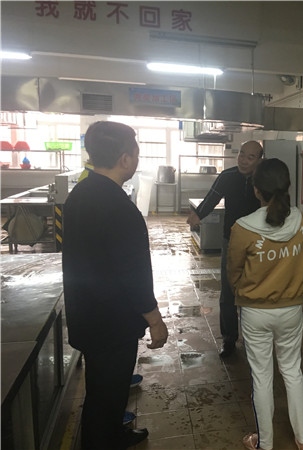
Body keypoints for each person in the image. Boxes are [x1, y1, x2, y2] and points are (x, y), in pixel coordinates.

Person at [62, 121, 169, 450]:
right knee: (105, 396)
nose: (137, 159)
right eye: (136, 153)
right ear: (125, 159)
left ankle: (113, 435)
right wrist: (155, 320)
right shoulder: (119, 208)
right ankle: (102, 442)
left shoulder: (81, 194)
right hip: (111, 322)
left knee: (104, 388)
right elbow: (133, 273)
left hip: (87, 313)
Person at [227, 158, 303, 450]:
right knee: (293, 372)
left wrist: (244, 292)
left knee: (262, 378)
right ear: (287, 186)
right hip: (292, 310)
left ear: (256, 190)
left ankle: (265, 444)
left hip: (255, 312)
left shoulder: (243, 228)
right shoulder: (302, 222)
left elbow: (234, 272)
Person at [186, 140, 263, 357]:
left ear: (259, 160)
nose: (243, 160)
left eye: (250, 157)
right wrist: (198, 214)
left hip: (259, 242)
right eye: (241, 154)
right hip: (232, 241)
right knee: (228, 292)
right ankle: (229, 339)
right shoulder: (228, 176)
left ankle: (254, 337)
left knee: (255, 291)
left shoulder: (263, 178)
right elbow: (212, 197)